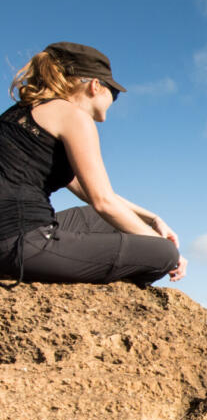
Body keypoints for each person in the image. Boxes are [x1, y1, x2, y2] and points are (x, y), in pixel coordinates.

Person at [0, 42, 185, 285]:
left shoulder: (22, 112)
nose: (113, 100)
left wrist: (152, 219)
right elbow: (104, 202)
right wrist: (168, 251)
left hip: (13, 235)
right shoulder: (74, 117)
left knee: (111, 223)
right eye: (114, 94)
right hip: (20, 244)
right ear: (95, 85)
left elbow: (90, 192)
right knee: (163, 254)